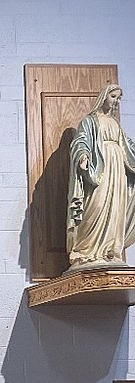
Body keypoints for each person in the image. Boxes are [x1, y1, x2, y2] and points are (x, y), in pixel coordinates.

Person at [67, 84, 135, 268]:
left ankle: (109, 251)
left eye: (119, 98)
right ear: (104, 96)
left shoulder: (115, 123)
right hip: (99, 167)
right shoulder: (90, 121)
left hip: (117, 168)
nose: (116, 101)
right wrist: (82, 156)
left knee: (115, 208)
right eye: (113, 96)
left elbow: (128, 146)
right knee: (96, 205)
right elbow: (80, 140)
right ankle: (85, 251)